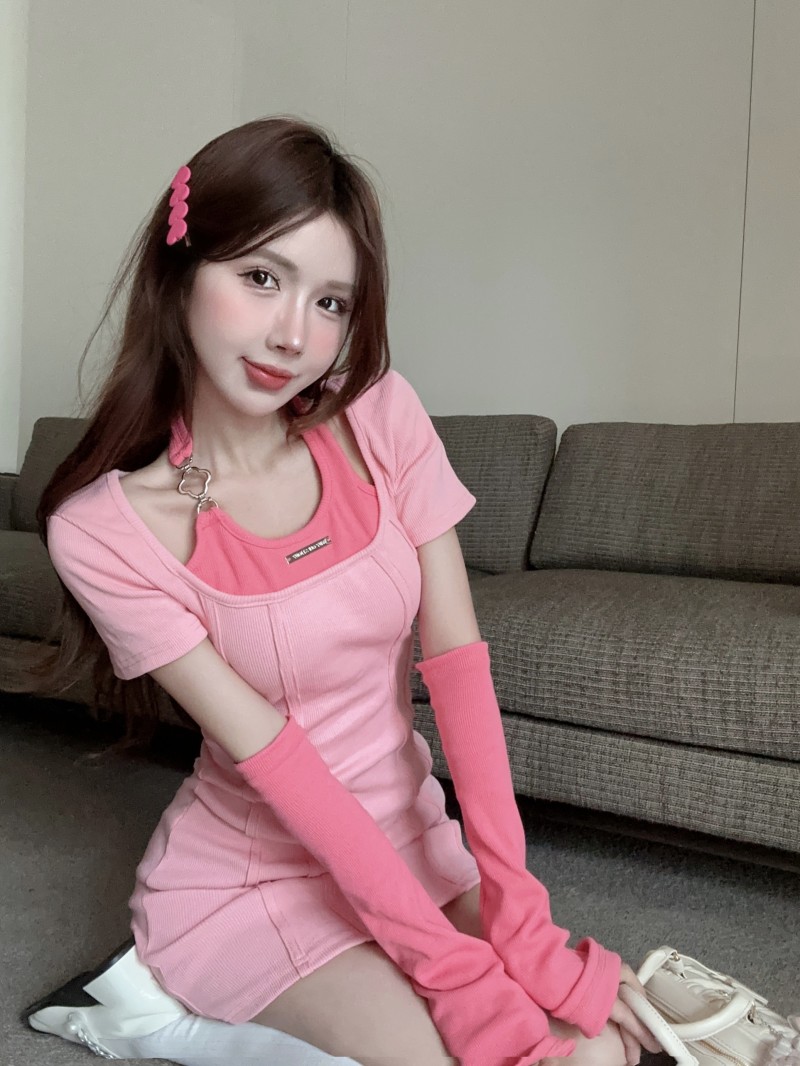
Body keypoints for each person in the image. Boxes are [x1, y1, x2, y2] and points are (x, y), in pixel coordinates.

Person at [21, 116, 661, 1066]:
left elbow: (459, 669)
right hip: (256, 885)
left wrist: (519, 922)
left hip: (414, 840)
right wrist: (451, 973)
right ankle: (159, 1009)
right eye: (261, 278)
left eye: (330, 302)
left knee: (605, 1036)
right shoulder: (105, 530)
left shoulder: (379, 415)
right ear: (180, 271)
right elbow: (278, 761)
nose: (294, 335)